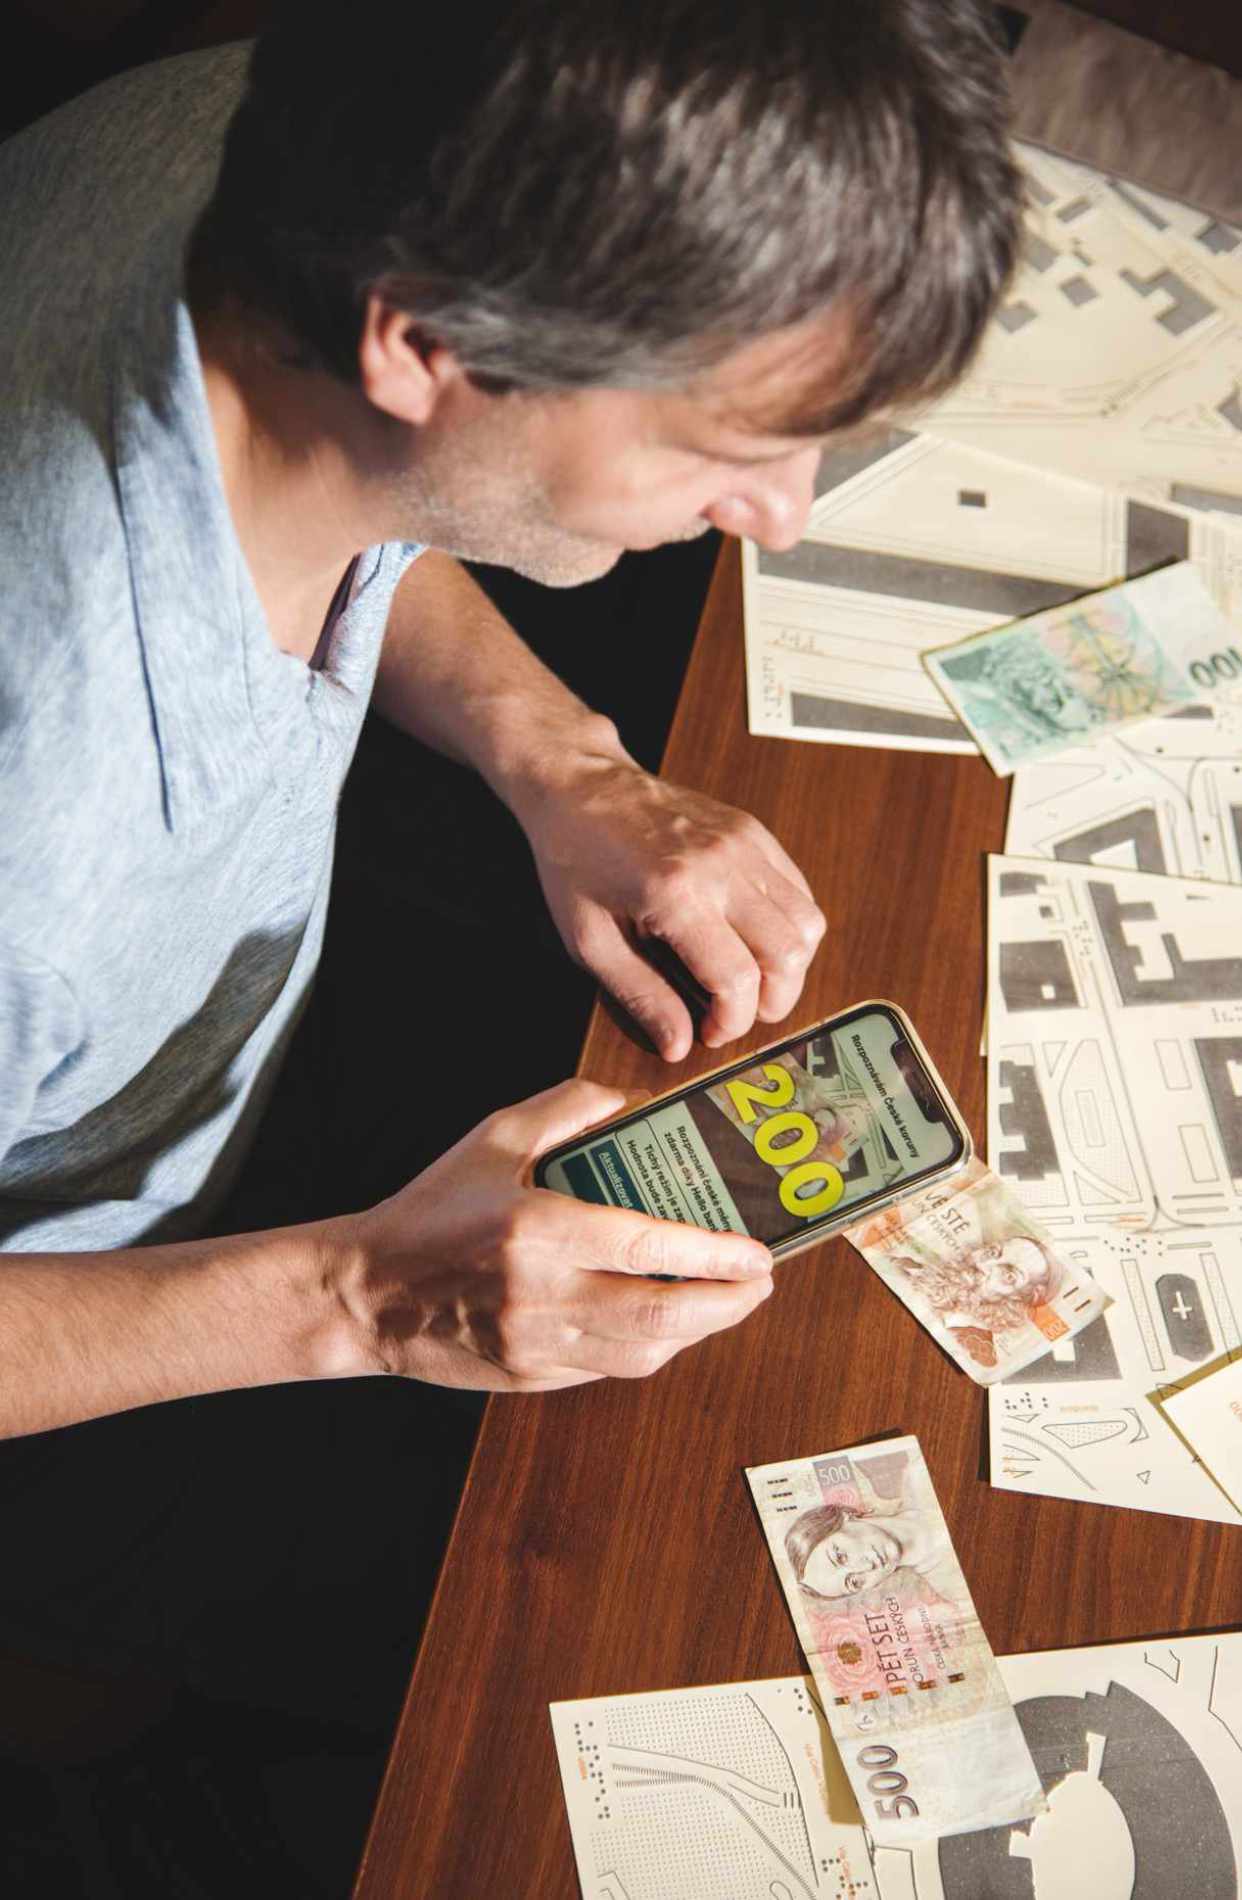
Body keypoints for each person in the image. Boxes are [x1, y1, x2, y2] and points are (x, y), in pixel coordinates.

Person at [0, 0, 1020, 1882]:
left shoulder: (266, 135)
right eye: (732, 441)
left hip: (234, 1074)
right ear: (429, 341)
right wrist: (367, 1301)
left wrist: (566, 763)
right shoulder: (29, 794)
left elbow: (381, 488)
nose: (776, 521)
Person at [785, 1497, 955, 1603]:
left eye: (841, 1556)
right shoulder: (951, 1588)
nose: (866, 1567)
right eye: (854, 1583)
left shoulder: (918, 1482)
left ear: (844, 1516)